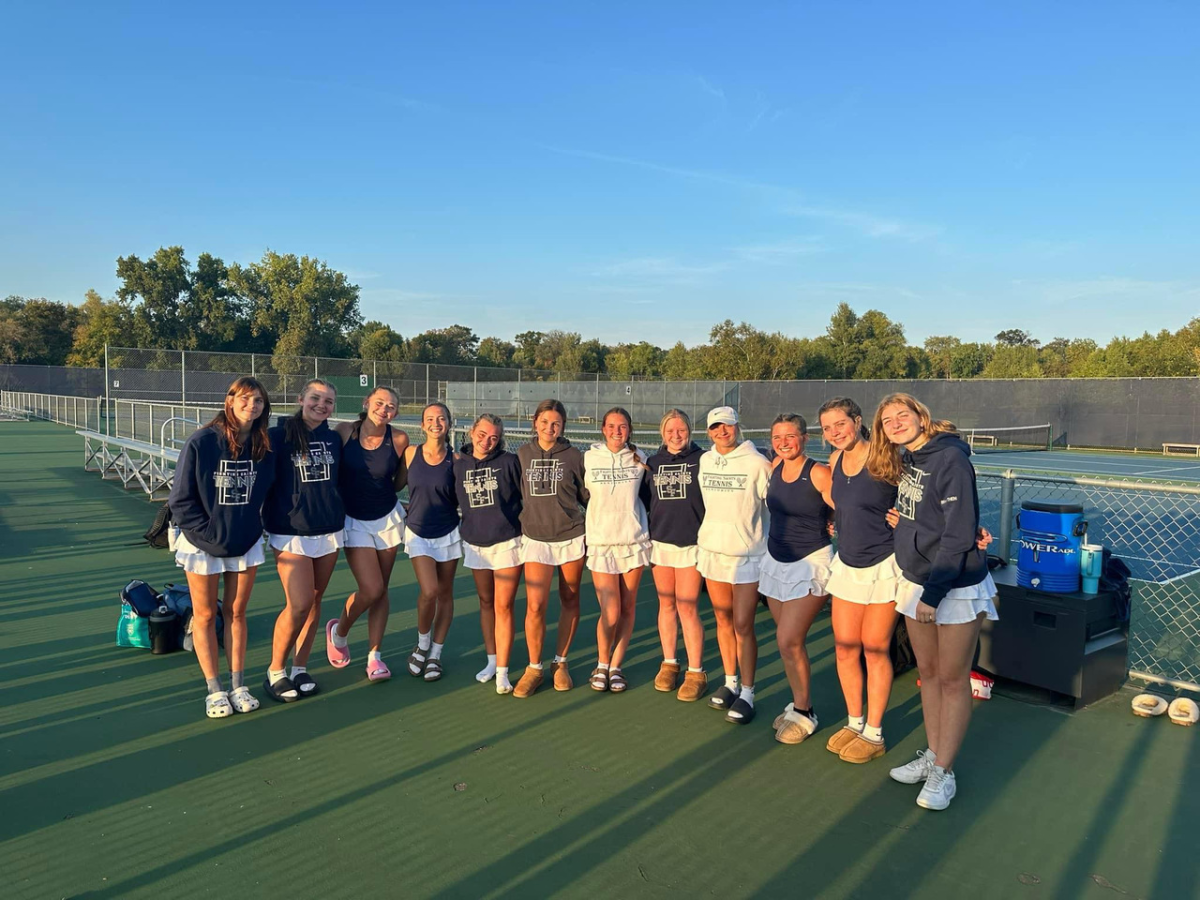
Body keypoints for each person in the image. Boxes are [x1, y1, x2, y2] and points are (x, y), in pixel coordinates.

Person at [870, 392, 998, 811]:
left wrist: (933, 595)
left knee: (951, 679)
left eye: (901, 415)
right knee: (927, 673)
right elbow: (927, 515)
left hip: (951, 588)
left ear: (920, 416)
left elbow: (959, 535)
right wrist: (905, 523)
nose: (895, 423)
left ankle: (944, 771)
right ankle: (933, 754)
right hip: (916, 582)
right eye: (887, 420)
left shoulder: (951, 460)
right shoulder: (909, 461)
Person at [168, 376, 275, 719]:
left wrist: (252, 529)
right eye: (244, 399)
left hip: (244, 542)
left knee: (237, 613)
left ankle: (238, 683)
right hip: (202, 545)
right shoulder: (202, 441)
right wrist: (208, 535)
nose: (251, 406)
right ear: (229, 401)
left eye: (258, 401)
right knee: (204, 615)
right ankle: (214, 689)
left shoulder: (263, 445)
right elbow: (181, 501)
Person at [817, 397, 902, 764]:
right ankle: (854, 722)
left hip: (884, 565)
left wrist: (907, 522)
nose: (834, 433)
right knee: (844, 648)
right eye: (826, 428)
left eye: (840, 424)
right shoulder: (835, 462)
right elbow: (842, 504)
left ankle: (875, 733)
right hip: (847, 565)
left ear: (857, 420)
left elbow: (918, 500)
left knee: (875, 649)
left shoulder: (886, 458)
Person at [262, 379, 344, 702]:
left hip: (328, 530)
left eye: (329, 401)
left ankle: (300, 666)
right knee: (298, 604)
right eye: (315, 398)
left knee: (314, 601)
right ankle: (275, 670)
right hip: (290, 531)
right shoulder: (278, 436)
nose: (322, 405)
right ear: (301, 399)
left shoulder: (335, 438)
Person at [326, 385, 410, 681]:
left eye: (391, 406)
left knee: (382, 591)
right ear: (366, 402)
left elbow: (399, 482)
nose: (384, 409)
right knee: (371, 589)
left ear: (396, 412)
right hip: (352, 520)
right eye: (379, 403)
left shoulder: (399, 438)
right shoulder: (344, 431)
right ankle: (339, 631)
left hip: (387, 519)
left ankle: (375, 657)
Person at [760, 414, 834, 744]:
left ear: (805, 438)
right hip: (775, 561)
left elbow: (846, 508)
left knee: (788, 640)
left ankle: (805, 713)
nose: (784, 442)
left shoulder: (819, 473)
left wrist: (833, 522)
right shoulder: (775, 466)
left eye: (790, 436)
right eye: (778, 437)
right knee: (789, 644)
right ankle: (797, 704)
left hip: (811, 563)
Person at [696, 406, 771, 724]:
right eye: (715, 427)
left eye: (726, 426)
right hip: (713, 553)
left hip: (748, 556)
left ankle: (748, 692)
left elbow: (775, 504)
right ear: (709, 432)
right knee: (722, 620)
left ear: (737, 427)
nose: (721, 432)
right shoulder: (705, 460)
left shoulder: (758, 463)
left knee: (743, 625)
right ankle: (730, 682)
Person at [513, 399, 589, 698]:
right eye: (544, 422)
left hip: (570, 537)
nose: (550, 428)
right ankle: (534, 667)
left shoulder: (573, 456)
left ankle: (560, 663)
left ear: (563, 426)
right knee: (535, 605)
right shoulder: (521, 455)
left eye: (556, 423)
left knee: (570, 599)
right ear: (535, 423)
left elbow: (587, 496)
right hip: (535, 539)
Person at [583, 407, 652, 693]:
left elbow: (650, 497)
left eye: (622, 426)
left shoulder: (641, 460)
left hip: (633, 542)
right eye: (611, 426)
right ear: (603, 428)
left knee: (627, 607)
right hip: (601, 543)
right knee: (610, 611)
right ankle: (601, 662)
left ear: (629, 430)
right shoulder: (588, 458)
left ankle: (615, 666)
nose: (616, 431)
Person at [454, 414, 524, 694]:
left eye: (493, 437)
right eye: (482, 434)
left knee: (503, 605)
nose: (487, 441)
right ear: (472, 432)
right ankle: (491, 661)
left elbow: (525, 497)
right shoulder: (458, 464)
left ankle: (503, 673)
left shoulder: (509, 462)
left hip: (507, 541)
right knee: (486, 602)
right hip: (475, 543)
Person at [646, 409, 707, 700]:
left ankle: (696, 671)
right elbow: (648, 500)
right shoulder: (653, 462)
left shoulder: (702, 460)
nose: (676, 435)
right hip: (661, 544)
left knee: (688, 607)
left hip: (692, 545)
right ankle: (669, 663)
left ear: (689, 432)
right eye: (670, 431)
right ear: (662, 433)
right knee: (666, 604)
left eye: (681, 430)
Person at [403, 402, 462, 682]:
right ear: (422, 425)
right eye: (430, 419)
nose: (436, 423)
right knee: (429, 591)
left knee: (445, 594)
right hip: (417, 532)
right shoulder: (410, 454)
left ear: (449, 424)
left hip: (449, 532)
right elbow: (391, 484)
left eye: (441, 418)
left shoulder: (458, 460)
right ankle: (422, 643)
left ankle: (435, 654)